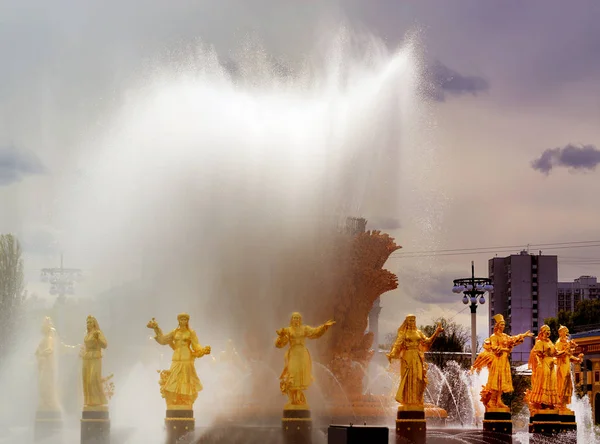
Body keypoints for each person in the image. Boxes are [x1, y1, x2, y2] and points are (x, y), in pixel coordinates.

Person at [147, 313, 211, 408]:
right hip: (176, 359)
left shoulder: (191, 333)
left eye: (185, 319)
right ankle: (174, 400)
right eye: (181, 319)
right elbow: (163, 340)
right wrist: (156, 328)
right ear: (178, 320)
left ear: (187, 321)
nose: (183, 321)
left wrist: (202, 350)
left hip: (187, 359)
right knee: (173, 380)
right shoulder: (174, 332)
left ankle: (185, 401)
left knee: (186, 381)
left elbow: (196, 345)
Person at [275, 312, 335, 408]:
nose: (296, 319)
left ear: (300, 320)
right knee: (292, 374)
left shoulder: (305, 328)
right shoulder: (288, 330)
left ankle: (298, 399)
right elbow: (279, 345)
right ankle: (292, 399)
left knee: (301, 376)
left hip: (303, 354)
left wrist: (324, 327)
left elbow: (315, 332)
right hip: (293, 353)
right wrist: (281, 336)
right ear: (291, 319)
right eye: (294, 318)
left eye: (298, 318)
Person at [474, 314, 533, 410]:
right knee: (495, 380)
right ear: (497, 326)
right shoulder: (493, 336)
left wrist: (523, 335)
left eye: (504, 325)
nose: (503, 326)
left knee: (502, 381)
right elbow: (493, 347)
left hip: (504, 361)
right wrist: (504, 350)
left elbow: (512, 339)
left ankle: (498, 400)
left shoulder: (505, 336)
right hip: (497, 361)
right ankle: (492, 401)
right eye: (501, 325)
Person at [386, 314, 443, 408]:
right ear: (406, 322)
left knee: (418, 377)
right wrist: (392, 354)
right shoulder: (403, 333)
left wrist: (436, 332)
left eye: (413, 320)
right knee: (408, 378)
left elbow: (428, 341)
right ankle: (408, 402)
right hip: (407, 357)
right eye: (410, 320)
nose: (412, 322)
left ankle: (416, 400)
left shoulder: (418, 332)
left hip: (417, 357)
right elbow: (397, 344)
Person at [527, 324, 559, 411]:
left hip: (551, 363)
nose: (548, 332)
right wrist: (539, 363)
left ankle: (551, 402)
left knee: (552, 381)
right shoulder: (539, 342)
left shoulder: (550, 342)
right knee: (544, 381)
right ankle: (543, 402)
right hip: (544, 362)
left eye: (549, 331)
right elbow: (537, 354)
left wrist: (565, 352)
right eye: (546, 331)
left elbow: (556, 353)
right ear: (542, 332)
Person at [81, 315, 108, 409]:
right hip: (87, 358)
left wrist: (98, 338)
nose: (88, 324)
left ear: (94, 323)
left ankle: (98, 401)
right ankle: (90, 401)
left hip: (95, 357)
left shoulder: (97, 332)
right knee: (87, 381)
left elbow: (104, 345)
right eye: (87, 322)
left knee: (93, 378)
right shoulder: (87, 335)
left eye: (90, 322)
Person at [555, 325, 583, 411]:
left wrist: (578, 359)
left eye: (566, 332)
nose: (566, 334)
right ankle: (559, 403)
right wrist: (565, 350)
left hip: (567, 367)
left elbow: (569, 356)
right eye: (565, 332)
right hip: (561, 366)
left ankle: (564, 404)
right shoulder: (559, 342)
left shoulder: (566, 342)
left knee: (568, 385)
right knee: (562, 384)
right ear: (560, 333)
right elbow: (556, 354)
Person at [35, 317, 60, 412]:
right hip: (43, 365)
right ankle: (46, 403)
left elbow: (50, 349)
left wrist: (41, 353)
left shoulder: (49, 338)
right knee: (42, 384)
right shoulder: (44, 338)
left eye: (44, 325)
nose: (42, 326)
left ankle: (49, 404)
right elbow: (38, 350)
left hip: (47, 366)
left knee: (45, 384)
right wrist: (38, 353)